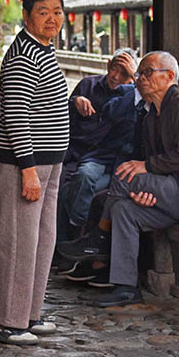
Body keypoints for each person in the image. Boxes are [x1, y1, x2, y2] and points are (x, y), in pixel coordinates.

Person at [57, 50, 179, 307]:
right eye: (140, 74)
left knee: (124, 175)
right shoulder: (151, 114)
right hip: (172, 190)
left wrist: (147, 170)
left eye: (148, 73)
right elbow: (148, 159)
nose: (140, 79)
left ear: (169, 76)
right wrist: (149, 188)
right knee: (124, 209)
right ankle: (125, 286)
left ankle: (99, 240)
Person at [0, 0, 69, 345]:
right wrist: (27, 169)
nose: (52, 18)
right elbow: (17, 113)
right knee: (20, 242)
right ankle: (9, 320)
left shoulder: (44, 49)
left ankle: (30, 313)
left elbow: (44, 103)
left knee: (42, 240)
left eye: (57, 11)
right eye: (43, 12)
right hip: (28, 162)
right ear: (26, 16)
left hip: (50, 162)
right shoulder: (23, 54)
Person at [56, 49, 138, 247]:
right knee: (55, 189)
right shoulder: (88, 85)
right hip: (73, 154)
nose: (115, 77)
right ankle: (57, 247)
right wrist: (73, 102)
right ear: (108, 64)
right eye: (114, 69)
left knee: (74, 188)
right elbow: (58, 117)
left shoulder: (131, 98)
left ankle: (73, 241)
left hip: (104, 160)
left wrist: (135, 79)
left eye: (124, 74)